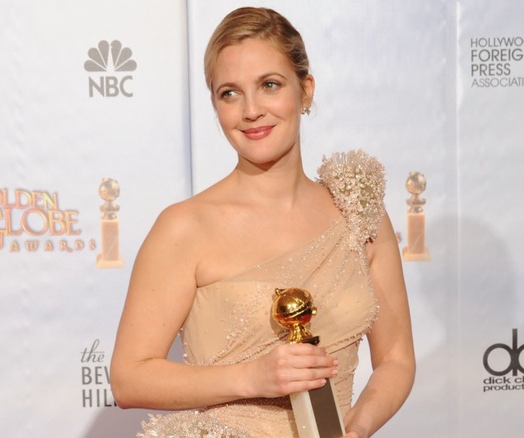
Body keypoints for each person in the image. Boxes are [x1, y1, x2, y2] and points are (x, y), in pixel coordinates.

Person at [110, 7, 415, 437]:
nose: (251, 110)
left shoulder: (358, 213)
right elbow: (129, 378)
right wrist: (252, 377)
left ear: (305, 90)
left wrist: (357, 428)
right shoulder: (184, 228)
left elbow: (397, 359)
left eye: (269, 85)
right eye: (230, 93)